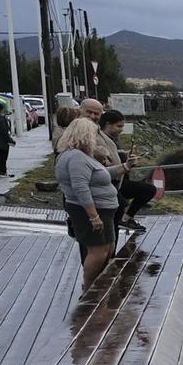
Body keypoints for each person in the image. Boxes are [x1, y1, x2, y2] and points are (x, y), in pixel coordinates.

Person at [56, 116, 120, 286]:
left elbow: (99, 175)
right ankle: (90, 286)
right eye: (93, 134)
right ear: (85, 135)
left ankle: (100, 284)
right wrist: (93, 216)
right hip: (92, 210)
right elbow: (80, 187)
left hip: (104, 209)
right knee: (98, 251)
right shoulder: (76, 157)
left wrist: (124, 168)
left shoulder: (80, 156)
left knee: (108, 248)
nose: (95, 139)